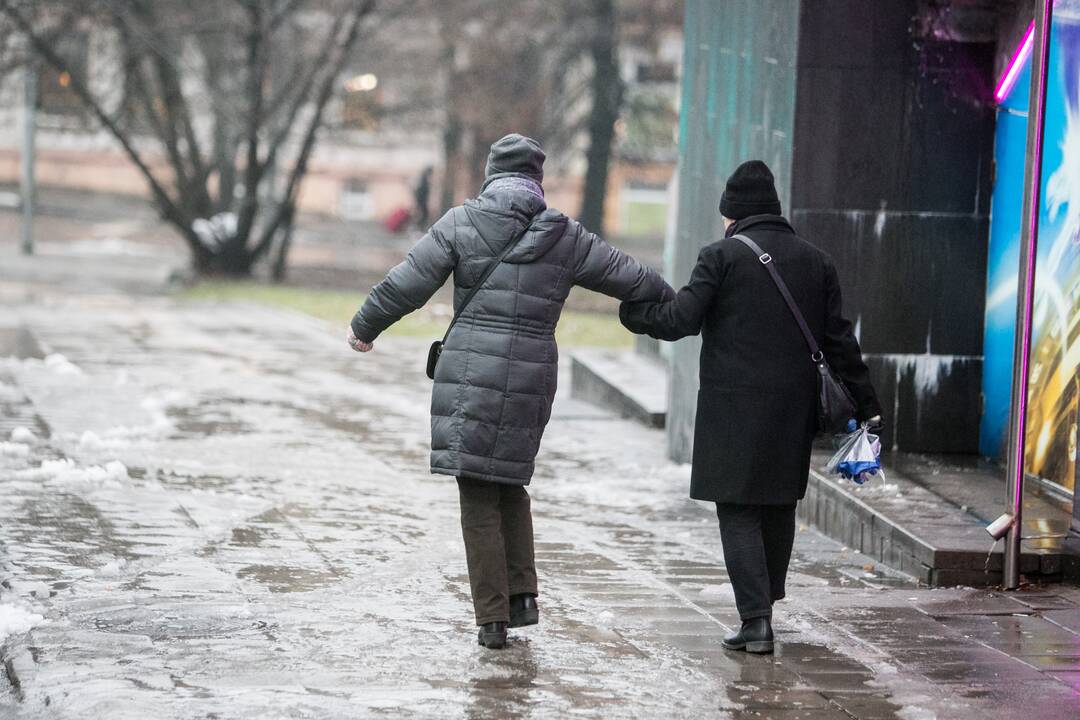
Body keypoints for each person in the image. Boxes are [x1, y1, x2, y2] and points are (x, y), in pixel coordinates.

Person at [347, 134, 673, 649]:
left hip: (471, 375)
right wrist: (665, 309)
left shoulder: (461, 222)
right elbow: (634, 278)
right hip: (531, 376)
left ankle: (492, 620)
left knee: (477, 488)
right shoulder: (565, 235)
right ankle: (522, 598)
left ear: (491, 174)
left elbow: (406, 283)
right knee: (510, 483)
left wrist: (365, 326)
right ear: (537, 181)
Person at [619, 160, 882, 655]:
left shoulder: (720, 257)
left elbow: (680, 318)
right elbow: (841, 342)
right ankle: (765, 603)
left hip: (733, 408)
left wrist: (634, 314)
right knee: (777, 504)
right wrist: (869, 406)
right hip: (792, 409)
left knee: (738, 509)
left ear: (733, 214)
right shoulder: (816, 260)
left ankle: (756, 620)